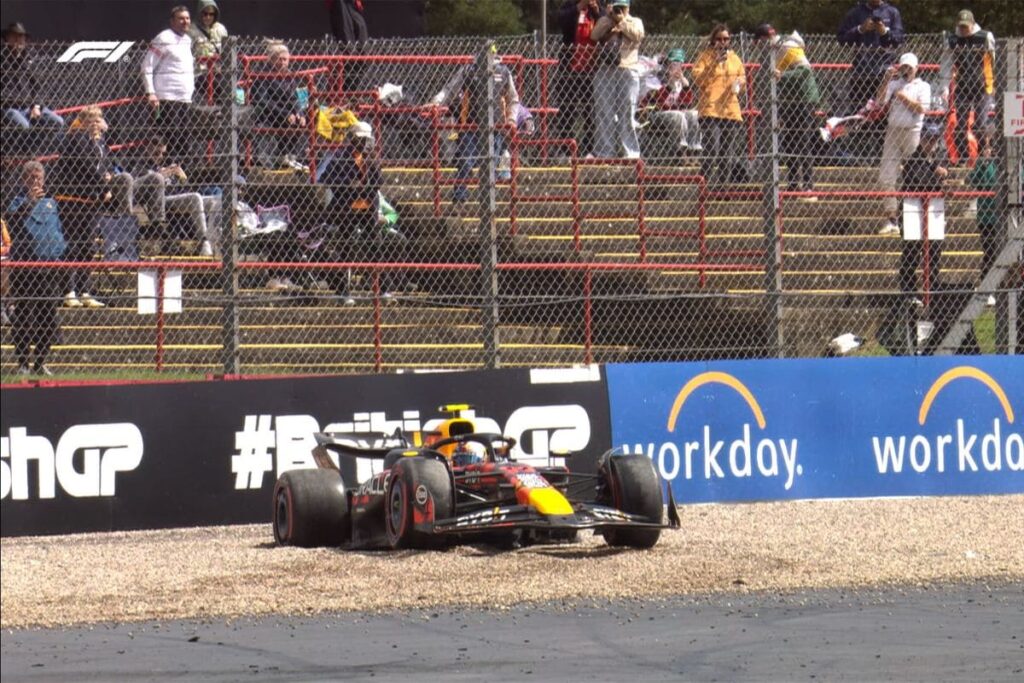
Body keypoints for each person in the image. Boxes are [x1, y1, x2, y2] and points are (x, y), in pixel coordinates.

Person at [319, 121, 406, 300]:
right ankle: (343, 292)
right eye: (363, 139)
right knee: (347, 249)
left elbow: (377, 182)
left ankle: (383, 289)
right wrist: (350, 186)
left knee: (376, 246)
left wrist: (361, 188)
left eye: (368, 140)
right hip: (347, 209)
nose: (366, 143)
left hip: (367, 208)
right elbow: (328, 177)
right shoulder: (341, 156)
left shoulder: (371, 158)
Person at [427, 49, 520, 202]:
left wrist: (511, 119)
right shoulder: (469, 70)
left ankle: (489, 199)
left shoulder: (503, 72)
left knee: (492, 164)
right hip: (470, 125)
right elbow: (450, 90)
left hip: (495, 127)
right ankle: (460, 197)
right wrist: (436, 103)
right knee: (465, 161)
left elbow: (513, 98)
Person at [4, 161, 67, 375]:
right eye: (31, 178)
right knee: (24, 317)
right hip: (25, 269)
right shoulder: (17, 202)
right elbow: (11, 223)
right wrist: (29, 203)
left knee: (48, 317)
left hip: (48, 267)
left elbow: (58, 228)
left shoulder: (51, 203)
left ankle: (40, 362)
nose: (35, 181)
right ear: (24, 180)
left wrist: (60, 250)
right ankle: (23, 363)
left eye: (38, 177)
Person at [50, 107, 111, 308]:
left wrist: (106, 177)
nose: (95, 123)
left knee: (88, 246)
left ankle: (84, 290)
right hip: (72, 199)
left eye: (98, 119)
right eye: (91, 120)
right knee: (73, 244)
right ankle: (69, 291)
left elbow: (102, 167)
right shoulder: (77, 138)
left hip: (90, 201)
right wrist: (104, 188)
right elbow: (86, 166)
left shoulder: (99, 143)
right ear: (82, 122)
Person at [754, 23, 822, 197]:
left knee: (803, 141)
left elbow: (805, 71)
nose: (759, 47)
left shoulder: (787, 47)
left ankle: (808, 186)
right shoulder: (774, 52)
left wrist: (782, 75)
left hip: (804, 99)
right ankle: (793, 184)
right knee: (791, 142)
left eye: (760, 42)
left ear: (764, 39)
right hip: (789, 101)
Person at [131, 136, 219, 256]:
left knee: (216, 201)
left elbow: (188, 190)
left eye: (163, 153)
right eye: (157, 153)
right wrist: (163, 174)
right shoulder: (141, 166)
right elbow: (138, 189)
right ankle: (204, 242)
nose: (161, 157)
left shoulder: (168, 164)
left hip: (179, 197)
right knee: (195, 198)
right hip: (161, 201)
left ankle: (216, 243)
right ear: (148, 148)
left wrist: (183, 178)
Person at [877, 52, 931, 235]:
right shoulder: (894, 84)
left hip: (912, 132)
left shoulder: (923, 86)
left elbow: (921, 108)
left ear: (916, 68)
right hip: (893, 132)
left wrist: (903, 98)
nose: (906, 70)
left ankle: (913, 217)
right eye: (903, 67)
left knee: (916, 175)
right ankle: (892, 219)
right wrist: (886, 80)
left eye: (909, 67)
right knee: (886, 177)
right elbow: (879, 101)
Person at [938, 10, 996, 166]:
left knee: (980, 124)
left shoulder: (984, 37)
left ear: (972, 24)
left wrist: (995, 84)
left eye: (967, 26)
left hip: (983, 86)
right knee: (960, 124)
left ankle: (985, 156)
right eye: (961, 27)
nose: (964, 30)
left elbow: (995, 61)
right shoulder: (952, 40)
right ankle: (962, 158)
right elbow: (946, 64)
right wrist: (945, 87)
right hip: (963, 86)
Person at [896, 123, 948, 298]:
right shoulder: (914, 159)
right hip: (913, 210)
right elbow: (920, 180)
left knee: (934, 250)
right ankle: (908, 291)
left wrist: (941, 175)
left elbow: (945, 178)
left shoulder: (938, 158)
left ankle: (932, 289)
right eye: (928, 139)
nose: (931, 143)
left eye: (933, 139)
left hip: (933, 210)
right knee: (912, 250)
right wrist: (935, 171)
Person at [692, 24, 747, 186]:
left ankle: (723, 188)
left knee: (727, 153)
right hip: (710, 109)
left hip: (730, 109)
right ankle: (703, 186)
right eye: (719, 39)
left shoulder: (735, 58)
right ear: (713, 40)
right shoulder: (705, 57)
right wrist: (714, 63)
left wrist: (740, 82)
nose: (723, 42)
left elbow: (742, 78)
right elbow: (698, 79)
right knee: (712, 150)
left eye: (726, 39)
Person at [141, 5, 196, 165]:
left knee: (183, 142)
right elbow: (147, 65)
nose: (185, 21)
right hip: (167, 99)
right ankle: (167, 175)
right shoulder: (164, 38)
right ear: (172, 21)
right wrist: (150, 92)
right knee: (171, 140)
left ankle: (181, 177)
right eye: (181, 18)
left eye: (187, 18)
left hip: (185, 99)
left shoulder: (187, 40)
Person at [590, 0, 644, 159]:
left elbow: (638, 35)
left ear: (628, 7)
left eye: (622, 7)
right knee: (604, 113)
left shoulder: (635, 21)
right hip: (606, 70)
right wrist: (609, 19)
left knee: (627, 113)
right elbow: (594, 35)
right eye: (616, 6)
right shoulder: (605, 20)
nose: (619, 10)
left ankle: (630, 153)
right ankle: (604, 152)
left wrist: (622, 20)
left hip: (627, 69)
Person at [1, 22, 65, 152]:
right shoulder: (2, 59)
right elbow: (5, 93)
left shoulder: (29, 59)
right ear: (7, 38)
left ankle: (27, 151)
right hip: (9, 108)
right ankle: (11, 152)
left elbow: (38, 86)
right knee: (23, 126)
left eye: (21, 37)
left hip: (30, 106)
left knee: (58, 121)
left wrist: (35, 105)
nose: (18, 40)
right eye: (15, 36)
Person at [250, 41, 310, 171]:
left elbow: (295, 98)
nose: (283, 63)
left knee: (304, 120)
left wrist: (300, 113)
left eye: (285, 59)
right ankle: (281, 158)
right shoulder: (262, 75)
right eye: (280, 59)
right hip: (268, 113)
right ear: (271, 59)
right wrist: (285, 113)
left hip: (286, 112)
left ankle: (290, 157)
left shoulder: (289, 75)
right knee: (288, 121)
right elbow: (262, 100)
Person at [837, 0, 904, 115]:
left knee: (882, 114)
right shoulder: (856, 13)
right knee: (859, 114)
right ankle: (859, 133)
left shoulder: (892, 12)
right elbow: (842, 38)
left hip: (885, 74)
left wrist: (884, 32)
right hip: (861, 73)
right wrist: (860, 29)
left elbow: (899, 40)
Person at [555, 0, 604, 159]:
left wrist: (596, 11)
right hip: (570, 68)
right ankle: (565, 150)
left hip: (592, 69)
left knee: (591, 111)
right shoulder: (570, 5)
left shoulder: (599, 7)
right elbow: (561, 21)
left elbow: (607, 25)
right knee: (566, 110)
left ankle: (589, 149)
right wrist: (578, 8)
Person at [640, 48, 700, 159]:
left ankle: (694, 151)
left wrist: (686, 87)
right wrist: (669, 86)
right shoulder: (656, 78)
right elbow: (656, 103)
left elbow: (685, 105)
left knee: (694, 114)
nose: (676, 68)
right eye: (673, 64)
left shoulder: (679, 82)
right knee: (678, 115)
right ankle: (680, 152)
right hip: (655, 115)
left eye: (679, 64)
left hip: (675, 115)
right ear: (667, 65)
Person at [966, 125, 1000, 278]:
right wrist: (982, 165)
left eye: (990, 146)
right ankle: (986, 280)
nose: (988, 150)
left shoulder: (1000, 163)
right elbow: (971, 179)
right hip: (986, 215)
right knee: (990, 250)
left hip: (999, 213)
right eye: (985, 146)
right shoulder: (982, 164)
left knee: (999, 249)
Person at [188, 0, 229, 83]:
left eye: (211, 14)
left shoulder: (220, 29)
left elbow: (226, 51)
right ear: (200, 13)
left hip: (218, 71)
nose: (208, 17)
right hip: (200, 73)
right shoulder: (191, 30)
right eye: (205, 14)